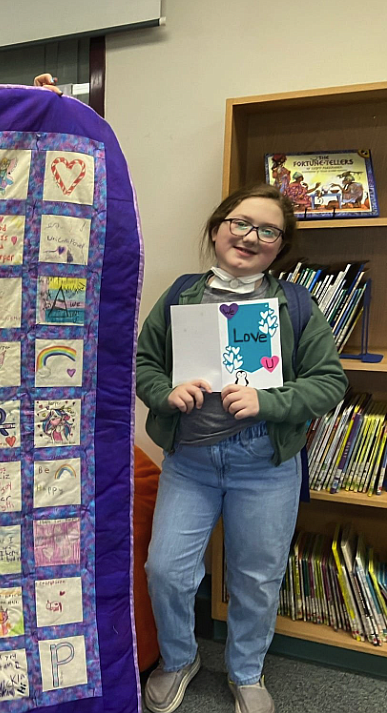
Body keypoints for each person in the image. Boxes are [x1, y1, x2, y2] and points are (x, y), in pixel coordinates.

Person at [135, 184, 347, 713]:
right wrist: (166, 392)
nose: (251, 237)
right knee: (166, 569)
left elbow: (329, 382)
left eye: (268, 230)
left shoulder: (295, 304)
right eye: (241, 223)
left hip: (266, 465)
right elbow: (144, 364)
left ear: (281, 246)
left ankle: (247, 671)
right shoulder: (182, 295)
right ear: (217, 227)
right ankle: (180, 659)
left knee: (256, 576)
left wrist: (269, 401)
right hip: (191, 463)